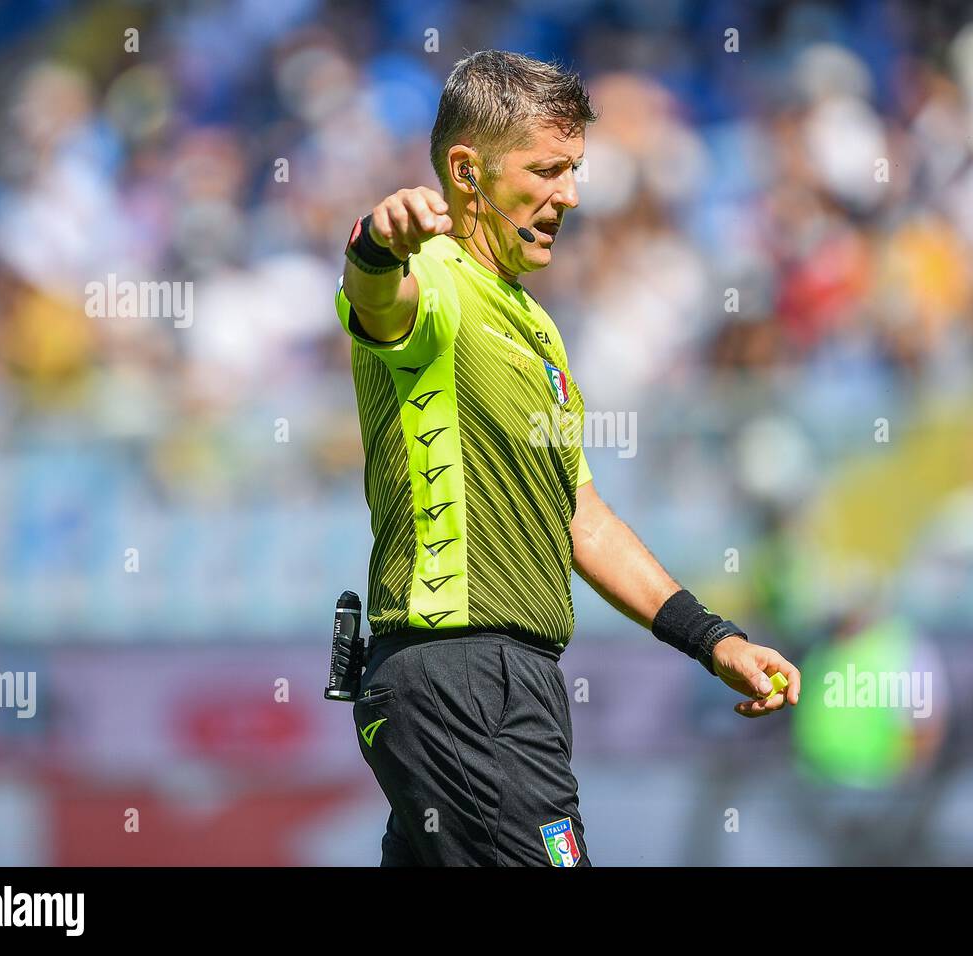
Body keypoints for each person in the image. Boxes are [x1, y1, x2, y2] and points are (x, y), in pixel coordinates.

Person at [337, 50, 802, 866]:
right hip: (459, 676)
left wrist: (714, 640)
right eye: (548, 170)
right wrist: (376, 243)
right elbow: (376, 300)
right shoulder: (432, 278)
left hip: (512, 682)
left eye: (576, 170)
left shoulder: (539, 329)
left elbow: (580, 515)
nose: (572, 196)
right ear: (466, 172)